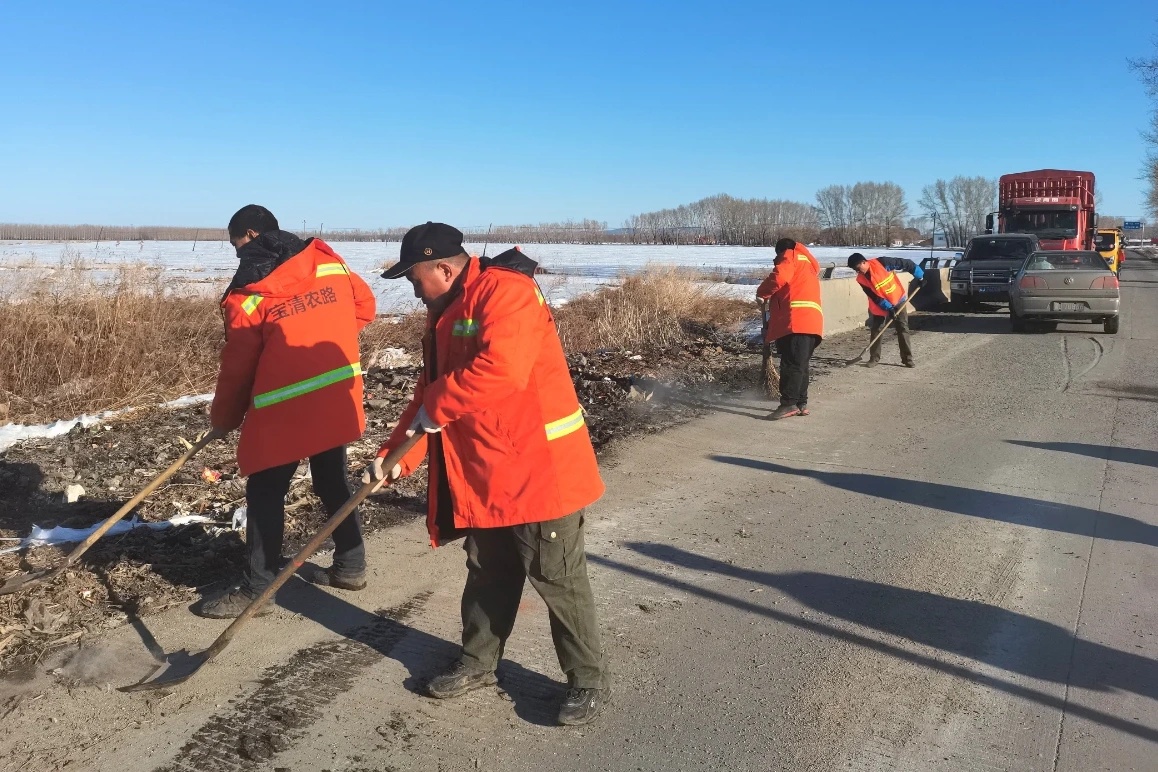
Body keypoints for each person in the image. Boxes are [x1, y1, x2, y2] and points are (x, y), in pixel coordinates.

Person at [366, 222, 611, 726]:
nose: (413, 290)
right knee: (488, 572)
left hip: (539, 470)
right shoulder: (447, 311)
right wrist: (395, 457)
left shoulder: (505, 292)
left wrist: (437, 405)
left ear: (442, 268)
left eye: (413, 278)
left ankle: (588, 680)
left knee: (557, 577)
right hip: (488, 472)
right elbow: (429, 397)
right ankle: (478, 663)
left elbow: (502, 369)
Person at [197, 205, 377, 618]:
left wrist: (224, 418)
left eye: (236, 244)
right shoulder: (327, 262)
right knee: (332, 480)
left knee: (265, 491)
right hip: (335, 394)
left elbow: (239, 367)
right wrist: (320, 339)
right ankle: (351, 566)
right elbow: (364, 307)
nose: (237, 254)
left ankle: (258, 588)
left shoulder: (249, 292)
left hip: (284, 406)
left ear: (250, 235)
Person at [756, 237, 824, 420]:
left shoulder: (790, 256)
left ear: (780, 251)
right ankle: (801, 403)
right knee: (801, 364)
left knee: (791, 364)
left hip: (796, 321)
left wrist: (762, 292)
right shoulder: (807, 264)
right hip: (812, 322)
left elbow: (780, 277)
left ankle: (788, 404)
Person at [847, 253, 923, 368]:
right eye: (855, 270)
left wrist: (920, 276)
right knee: (876, 330)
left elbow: (906, 263)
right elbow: (874, 296)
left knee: (903, 328)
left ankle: (907, 359)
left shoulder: (882, 263)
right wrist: (889, 308)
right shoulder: (861, 279)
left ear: (864, 262)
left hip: (898, 299)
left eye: (858, 268)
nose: (858, 271)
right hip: (880, 305)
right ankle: (874, 358)